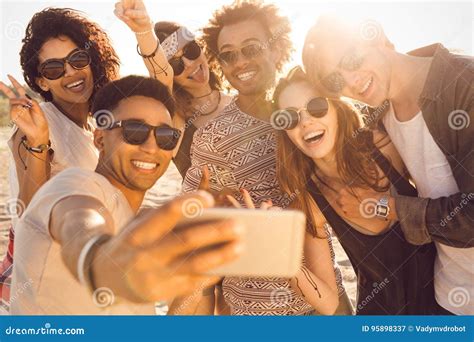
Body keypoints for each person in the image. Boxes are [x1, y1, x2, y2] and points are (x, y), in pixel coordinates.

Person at [10, 75, 243, 315]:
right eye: (134, 131)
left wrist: (201, 269)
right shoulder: (75, 185)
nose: (151, 147)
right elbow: (78, 223)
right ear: (100, 138)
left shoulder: (139, 240)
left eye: (165, 137)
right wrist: (99, 261)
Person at [178, 1, 351, 316]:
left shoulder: (314, 113)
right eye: (228, 55)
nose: (240, 61)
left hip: (326, 300)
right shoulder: (212, 137)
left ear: (276, 47)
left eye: (251, 48)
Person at [302, 16, 473, 315]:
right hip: (447, 297)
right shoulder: (380, 118)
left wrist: (386, 207)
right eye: (335, 80)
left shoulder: (465, 84)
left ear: (377, 35)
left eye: (352, 58)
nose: (352, 81)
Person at [272, 66, 438, 314]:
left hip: (446, 303)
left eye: (316, 107)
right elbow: (328, 304)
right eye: (290, 117)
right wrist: (283, 259)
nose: (305, 122)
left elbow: (448, 206)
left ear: (337, 108)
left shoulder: (384, 146)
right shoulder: (310, 199)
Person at [0, 7, 119, 311]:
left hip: (83, 279)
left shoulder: (93, 126)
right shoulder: (37, 127)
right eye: (54, 68)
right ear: (41, 82)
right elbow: (29, 215)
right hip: (46, 292)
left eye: (78, 59)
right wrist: (39, 143)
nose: (70, 72)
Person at [114, 0, 232, 178]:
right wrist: (143, 30)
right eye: (176, 64)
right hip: (206, 206)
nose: (190, 64)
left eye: (190, 50)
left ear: (200, 47)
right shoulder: (174, 117)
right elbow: (160, 72)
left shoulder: (238, 100)